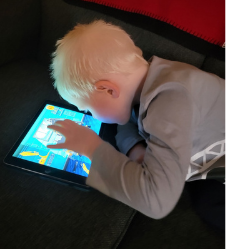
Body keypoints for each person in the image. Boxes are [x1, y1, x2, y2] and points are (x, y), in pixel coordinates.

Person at [48, 20, 224, 232]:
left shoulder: (170, 102)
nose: (91, 116)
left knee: (210, 206)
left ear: (108, 90)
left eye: (87, 109)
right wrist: (133, 147)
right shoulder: (149, 78)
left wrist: (92, 148)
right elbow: (129, 116)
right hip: (211, 158)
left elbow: (157, 202)